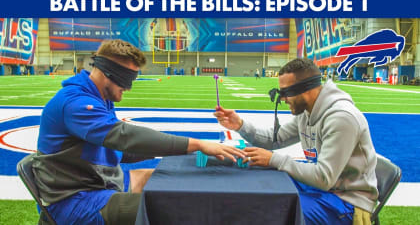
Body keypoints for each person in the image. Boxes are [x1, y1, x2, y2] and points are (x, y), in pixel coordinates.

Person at [32, 39, 245, 225]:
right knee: (169, 204)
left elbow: (119, 150)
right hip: (75, 200)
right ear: (108, 72)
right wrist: (197, 144)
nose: (128, 88)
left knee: (168, 180)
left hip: (96, 181)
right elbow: (124, 136)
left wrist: (183, 150)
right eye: (126, 80)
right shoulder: (76, 103)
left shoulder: (99, 98)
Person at [214, 58, 378, 225]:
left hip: (347, 200)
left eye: (285, 92)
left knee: (275, 211)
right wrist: (240, 125)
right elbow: (276, 139)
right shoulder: (307, 111)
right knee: (263, 186)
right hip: (325, 188)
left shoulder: (341, 118)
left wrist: (273, 159)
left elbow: (324, 177)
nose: (283, 99)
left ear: (306, 89)